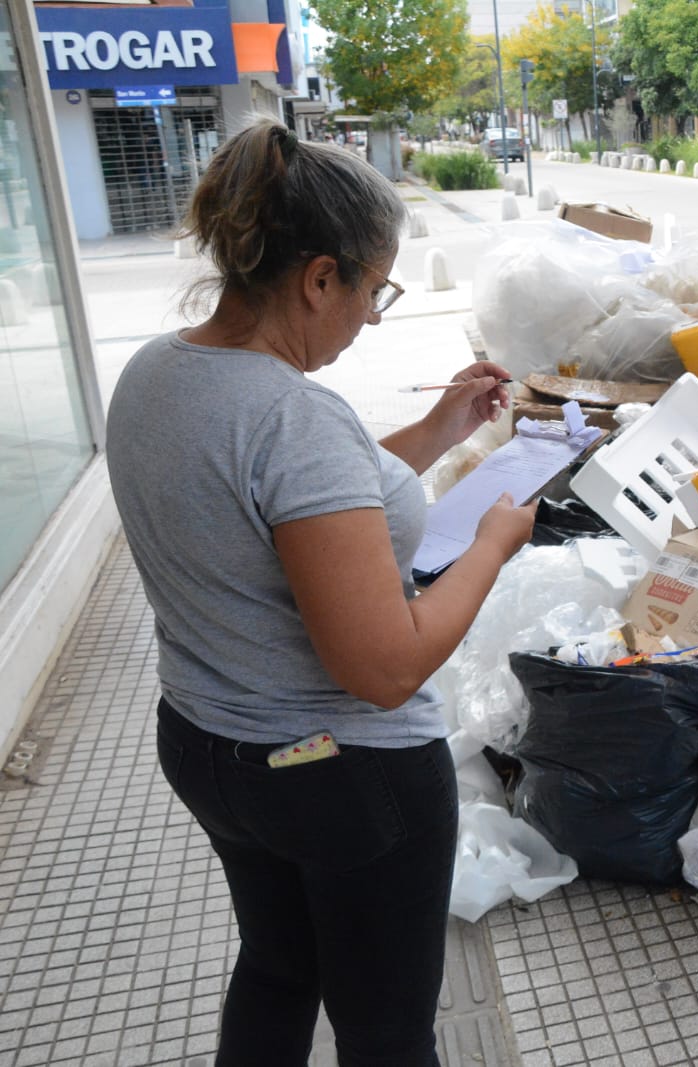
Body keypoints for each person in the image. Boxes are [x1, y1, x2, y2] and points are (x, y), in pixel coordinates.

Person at [104, 119, 535, 1067]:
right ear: (319, 278)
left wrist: (436, 426)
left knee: (276, 967)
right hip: (342, 777)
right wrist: (492, 548)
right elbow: (382, 667)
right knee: (385, 1032)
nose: (371, 314)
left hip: (209, 749)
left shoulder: (156, 372)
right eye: (374, 290)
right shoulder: (294, 417)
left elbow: (289, 509)